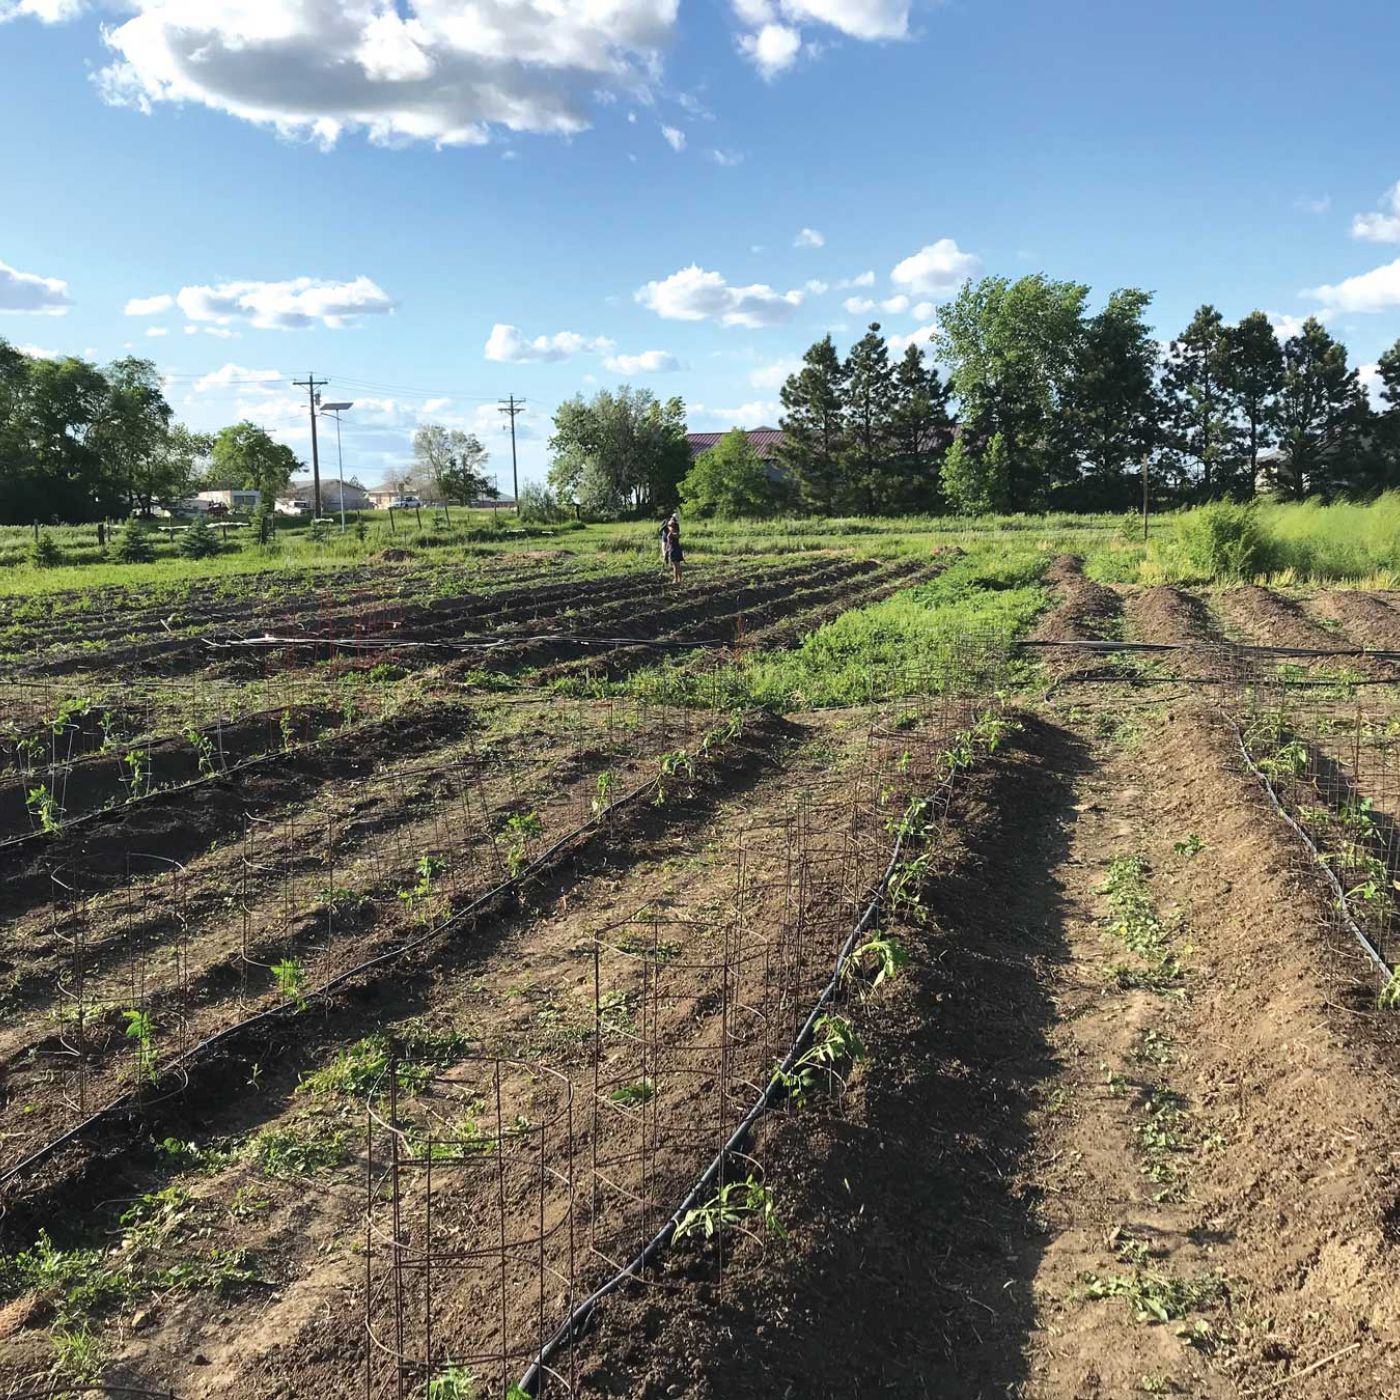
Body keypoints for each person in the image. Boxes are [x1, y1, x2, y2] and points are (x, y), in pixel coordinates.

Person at [664, 516, 683, 584]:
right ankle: (678, 579)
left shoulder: (674, 533)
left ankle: (677, 579)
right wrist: (666, 550)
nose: (668, 526)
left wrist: (671, 534)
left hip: (675, 549)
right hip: (673, 549)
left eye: (670, 525)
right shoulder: (671, 532)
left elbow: (677, 535)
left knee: (676, 565)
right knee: (676, 565)